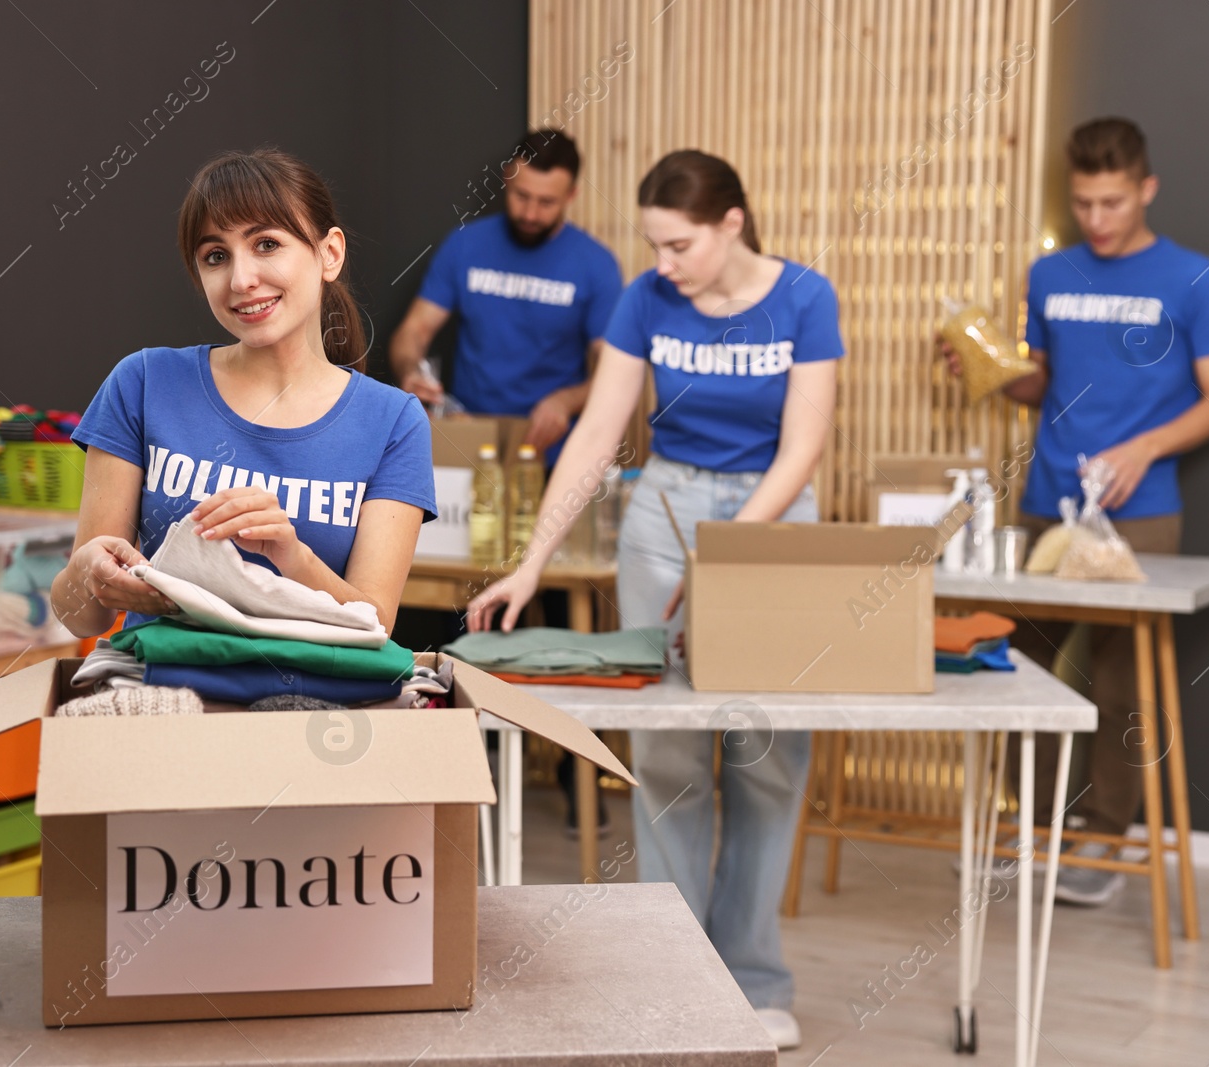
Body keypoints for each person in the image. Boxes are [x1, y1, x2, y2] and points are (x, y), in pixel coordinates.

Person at [466, 150, 842, 1050]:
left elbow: (804, 448)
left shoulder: (806, 298)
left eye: (679, 245)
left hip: (773, 521)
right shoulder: (646, 300)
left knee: (764, 755)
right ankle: (677, 971)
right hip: (663, 511)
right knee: (668, 752)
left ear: (732, 225)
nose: (663, 262)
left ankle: (754, 979)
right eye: (653, 245)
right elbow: (599, 431)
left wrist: (727, 551)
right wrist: (530, 561)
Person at [942, 117, 1209, 905]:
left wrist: (1144, 449)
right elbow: (1040, 381)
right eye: (1084, 204)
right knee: (1011, 668)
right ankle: (1024, 830)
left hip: (1138, 513)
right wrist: (986, 370)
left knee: (1119, 687)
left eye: (1112, 201)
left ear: (1146, 189)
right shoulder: (1050, 275)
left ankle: (1105, 843)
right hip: (1043, 503)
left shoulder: (1195, 279)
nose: (1098, 220)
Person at [52, 147, 437, 643]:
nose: (241, 280)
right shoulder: (143, 383)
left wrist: (291, 557)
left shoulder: (393, 421)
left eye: (267, 244)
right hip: (166, 701)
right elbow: (78, 617)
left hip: (310, 709)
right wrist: (86, 574)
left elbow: (376, 622)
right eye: (216, 256)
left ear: (330, 254)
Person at [390, 129, 623, 456]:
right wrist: (410, 369)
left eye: (546, 203)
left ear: (571, 195)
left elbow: (613, 367)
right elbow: (414, 330)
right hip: (468, 437)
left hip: (552, 448)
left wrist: (567, 401)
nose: (530, 213)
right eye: (521, 195)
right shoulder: (465, 245)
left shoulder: (596, 264)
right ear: (507, 179)